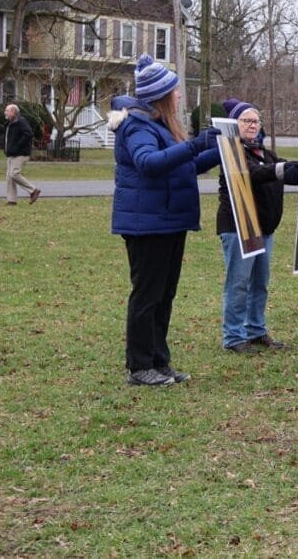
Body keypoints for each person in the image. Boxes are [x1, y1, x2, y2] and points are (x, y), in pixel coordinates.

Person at [109, 54, 221, 386]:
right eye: (174, 91)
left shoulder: (161, 126)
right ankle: (139, 366)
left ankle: (159, 361)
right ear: (160, 95)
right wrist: (194, 145)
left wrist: (222, 148)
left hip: (170, 221)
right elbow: (149, 163)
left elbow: (185, 165)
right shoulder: (137, 125)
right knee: (147, 295)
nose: (178, 96)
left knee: (164, 295)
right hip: (147, 224)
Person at [217, 100, 298, 352]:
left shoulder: (265, 153)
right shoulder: (231, 152)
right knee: (239, 282)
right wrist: (281, 168)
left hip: (264, 230)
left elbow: (288, 171)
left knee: (260, 283)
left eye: (255, 121)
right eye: (246, 121)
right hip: (238, 227)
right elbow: (252, 174)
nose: (252, 125)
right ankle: (233, 337)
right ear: (235, 125)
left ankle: (255, 330)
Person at [3, 104, 41, 206]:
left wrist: (17, 147)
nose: (5, 112)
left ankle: (33, 190)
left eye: (7, 110)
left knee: (14, 174)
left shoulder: (21, 121)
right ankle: (11, 200)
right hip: (11, 154)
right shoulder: (10, 123)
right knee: (9, 177)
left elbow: (28, 134)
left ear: (13, 112)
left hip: (20, 154)